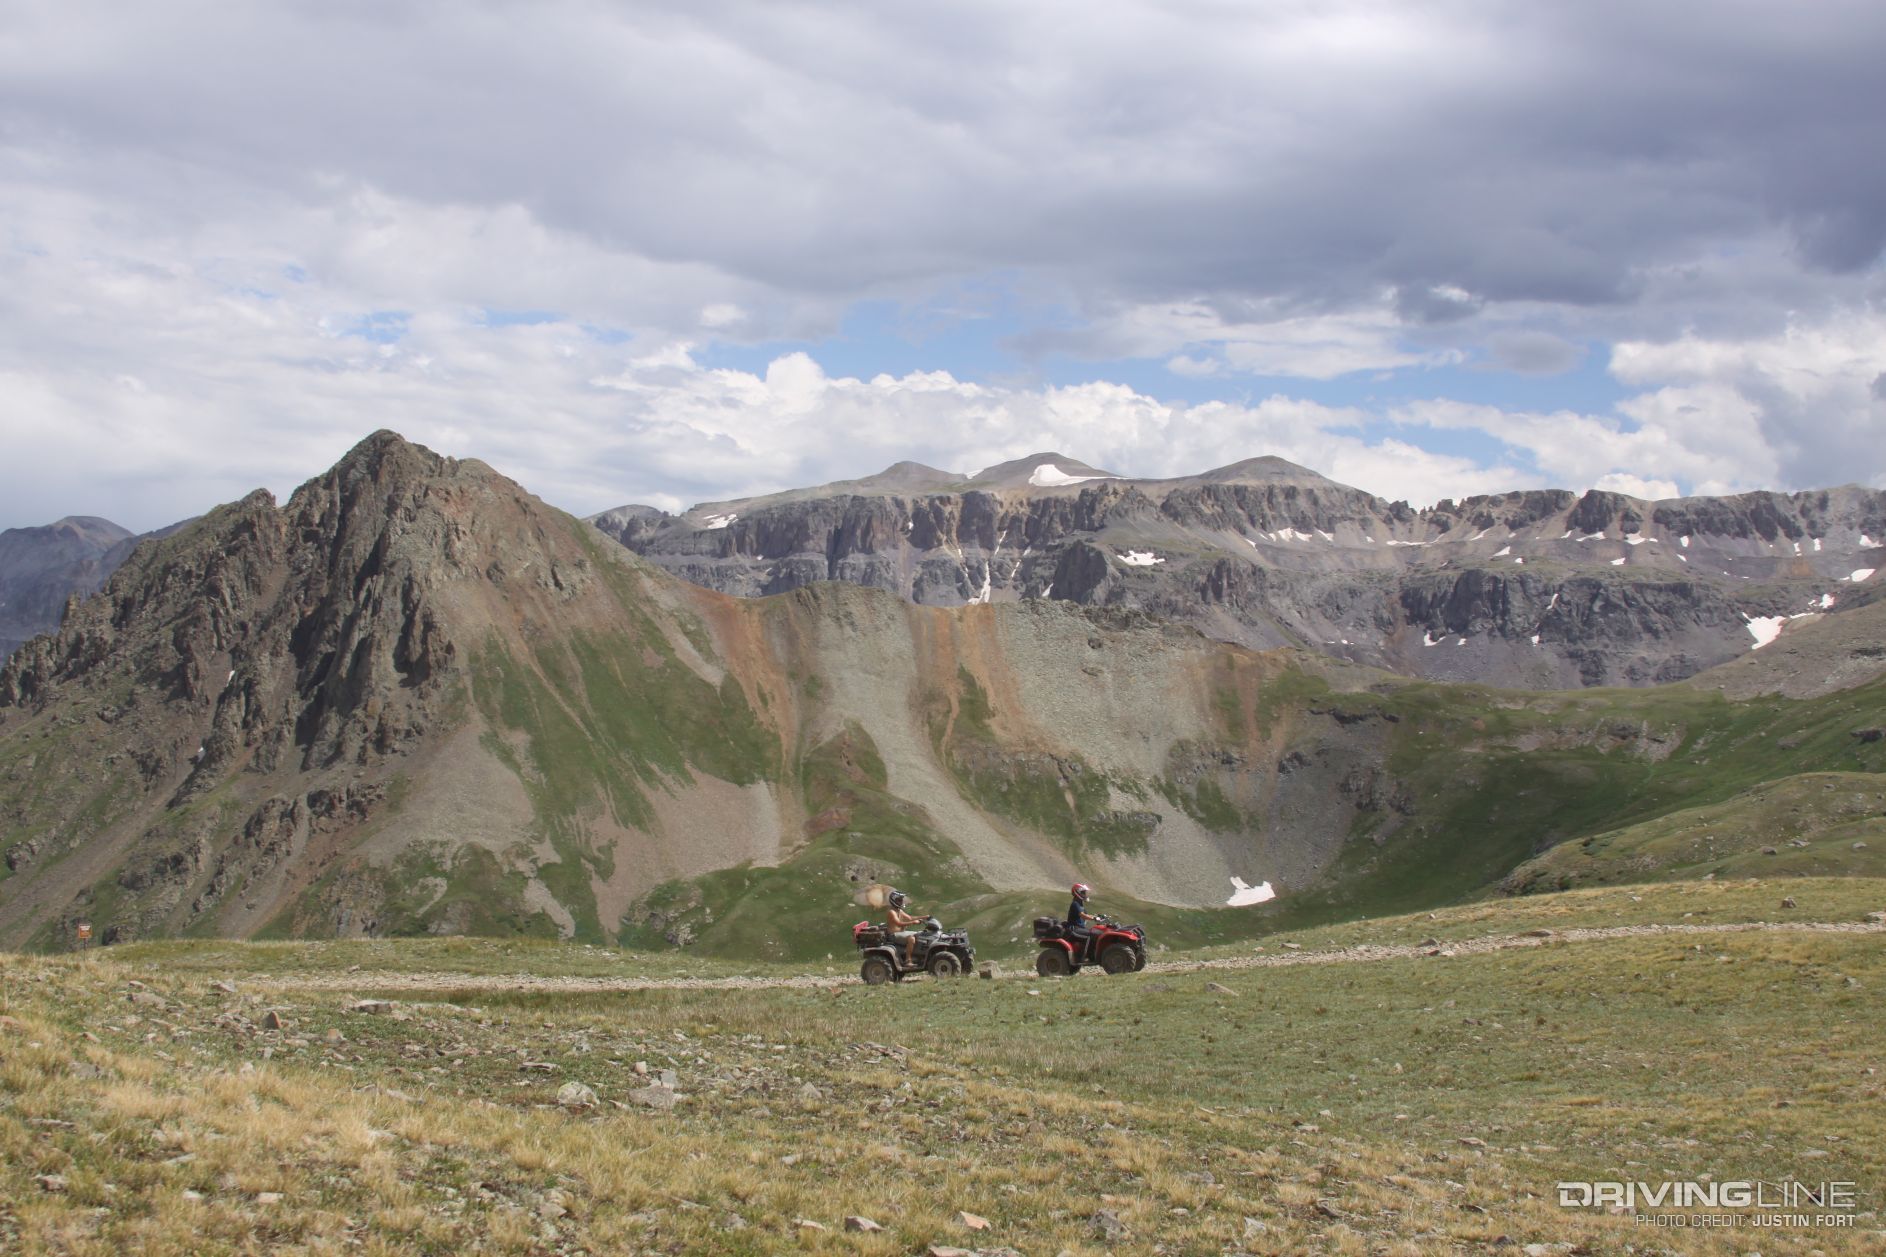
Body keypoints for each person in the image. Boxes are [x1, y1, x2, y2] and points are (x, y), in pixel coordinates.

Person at [884, 889, 923, 967]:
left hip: (901, 933)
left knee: (920, 934)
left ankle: (918, 955)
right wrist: (913, 923)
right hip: (894, 935)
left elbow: (910, 917)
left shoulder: (898, 910)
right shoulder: (891, 912)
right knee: (911, 938)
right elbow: (899, 923)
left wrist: (925, 917)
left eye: (901, 900)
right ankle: (908, 960)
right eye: (899, 900)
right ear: (894, 900)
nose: (901, 902)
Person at [1066, 881, 1097, 956]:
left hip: (1080, 928)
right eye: (1083, 892)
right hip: (1074, 928)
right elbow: (1083, 915)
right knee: (1092, 934)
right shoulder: (1075, 904)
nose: (1085, 894)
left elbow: (1087, 915)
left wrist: (1097, 916)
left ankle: (1091, 954)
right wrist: (1094, 919)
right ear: (1077, 892)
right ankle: (1087, 955)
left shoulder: (1080, 904)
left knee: (1095, 931)